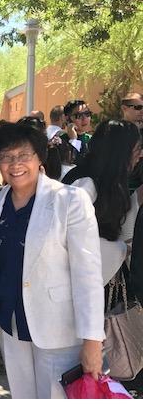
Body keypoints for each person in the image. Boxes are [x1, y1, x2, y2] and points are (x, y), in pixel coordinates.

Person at [0, 122, 104, 398]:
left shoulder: (70, 200)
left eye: (24, 155)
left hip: (58, 329)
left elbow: (88, 274)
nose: (15, 164)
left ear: (40, 157)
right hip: (10, 322)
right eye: (6, 157)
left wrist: (93, 339)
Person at [62, 120, 143, 285]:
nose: (140, 155)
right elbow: (69, 240)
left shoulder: (109, 180)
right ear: (121, 153)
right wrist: (119, 250)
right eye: (137, 149)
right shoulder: (85, 184)